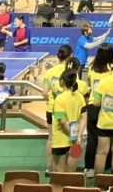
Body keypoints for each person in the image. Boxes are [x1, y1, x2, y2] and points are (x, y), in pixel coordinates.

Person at [42, 45, 73, 176]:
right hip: (68, 111)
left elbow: (44, 93)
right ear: (70, 56)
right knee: (67, 140)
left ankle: (49, 168)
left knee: (51, 138)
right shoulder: (71, 73)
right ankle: (65, 170)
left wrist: (52, 100)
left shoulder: (50, 72)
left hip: (51, 110)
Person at [84, 43, 113, 178]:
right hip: (106, 108)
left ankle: (89, 168)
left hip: (92, 106)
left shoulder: (91, 68)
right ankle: (107, 167)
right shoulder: (112, 69)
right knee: (107, 139)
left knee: (92, 138)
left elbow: (90, 85)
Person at [52, 69, 88, 172]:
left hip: (60, 140)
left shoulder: (59, 99)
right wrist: (78, 136)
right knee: (71, 173)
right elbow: (84, 117)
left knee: (60, 172)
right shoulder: (80, 96)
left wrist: (73, 136)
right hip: (75, 140)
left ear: (62, 81)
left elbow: (63, 122)